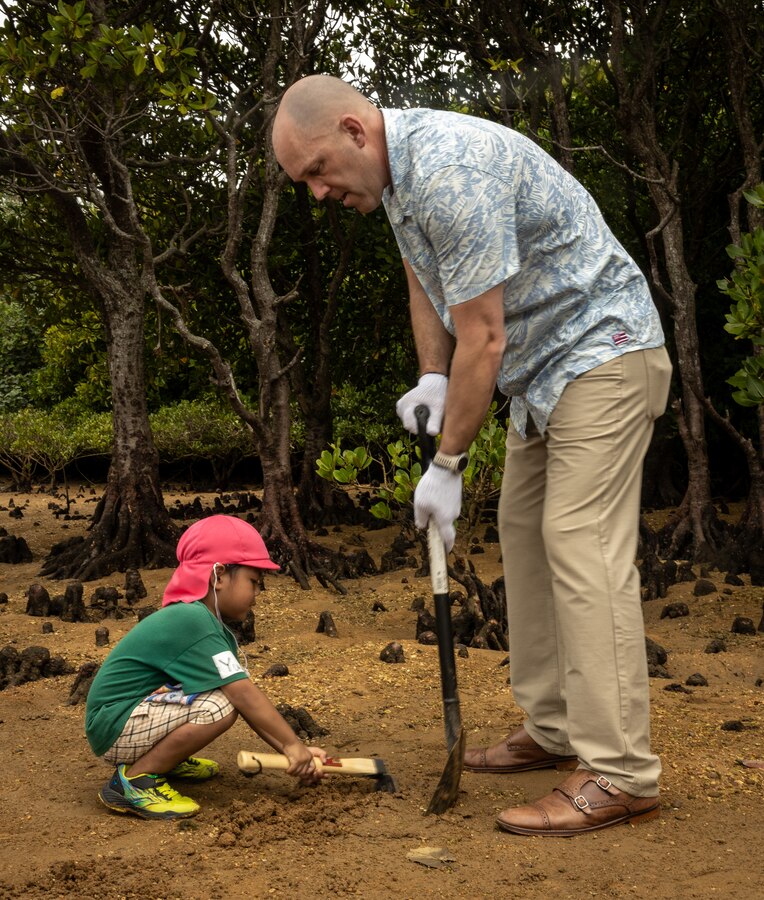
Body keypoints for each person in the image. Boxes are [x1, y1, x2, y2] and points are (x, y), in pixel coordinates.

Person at [272, 75, 673, 836]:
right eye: (304, 183)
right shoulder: (397, 180)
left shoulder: (452, 168)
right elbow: (430, 285)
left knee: (580, 541)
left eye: (317, 171)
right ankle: (555, 729)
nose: (317, 193)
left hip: (604, 352)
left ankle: (620, 771)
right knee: (524, 536)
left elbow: (484, 336)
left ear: (356, 131)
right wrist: (431, 373)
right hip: (544, 374)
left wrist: (448, 464)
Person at [85, 515, 326, 820]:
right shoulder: (192, 620)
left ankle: (166, 759)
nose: (257, 594)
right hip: (114, 726)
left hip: (120, 720)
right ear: (219, 575)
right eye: (253, 581)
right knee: (220, 705)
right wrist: (292, 744)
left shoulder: (197, 619)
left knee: (219, 693)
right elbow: (242, 696)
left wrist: (292, 750)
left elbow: (245, 699)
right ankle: (136, 780)